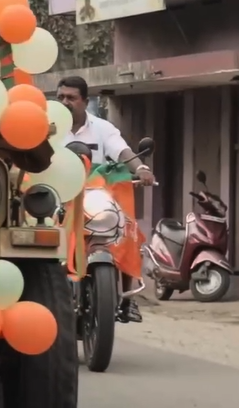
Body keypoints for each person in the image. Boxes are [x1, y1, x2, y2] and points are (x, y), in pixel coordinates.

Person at [56, 75, 154, 322]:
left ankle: (127, 298)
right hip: (59, 199)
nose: (65, 102)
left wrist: (141, 169)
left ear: (85, 101)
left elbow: (122, 151)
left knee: (126, 227)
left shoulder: (102, 128)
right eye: (60, 97)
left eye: (71, 98)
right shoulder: (48, 127)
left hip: (94, 198)